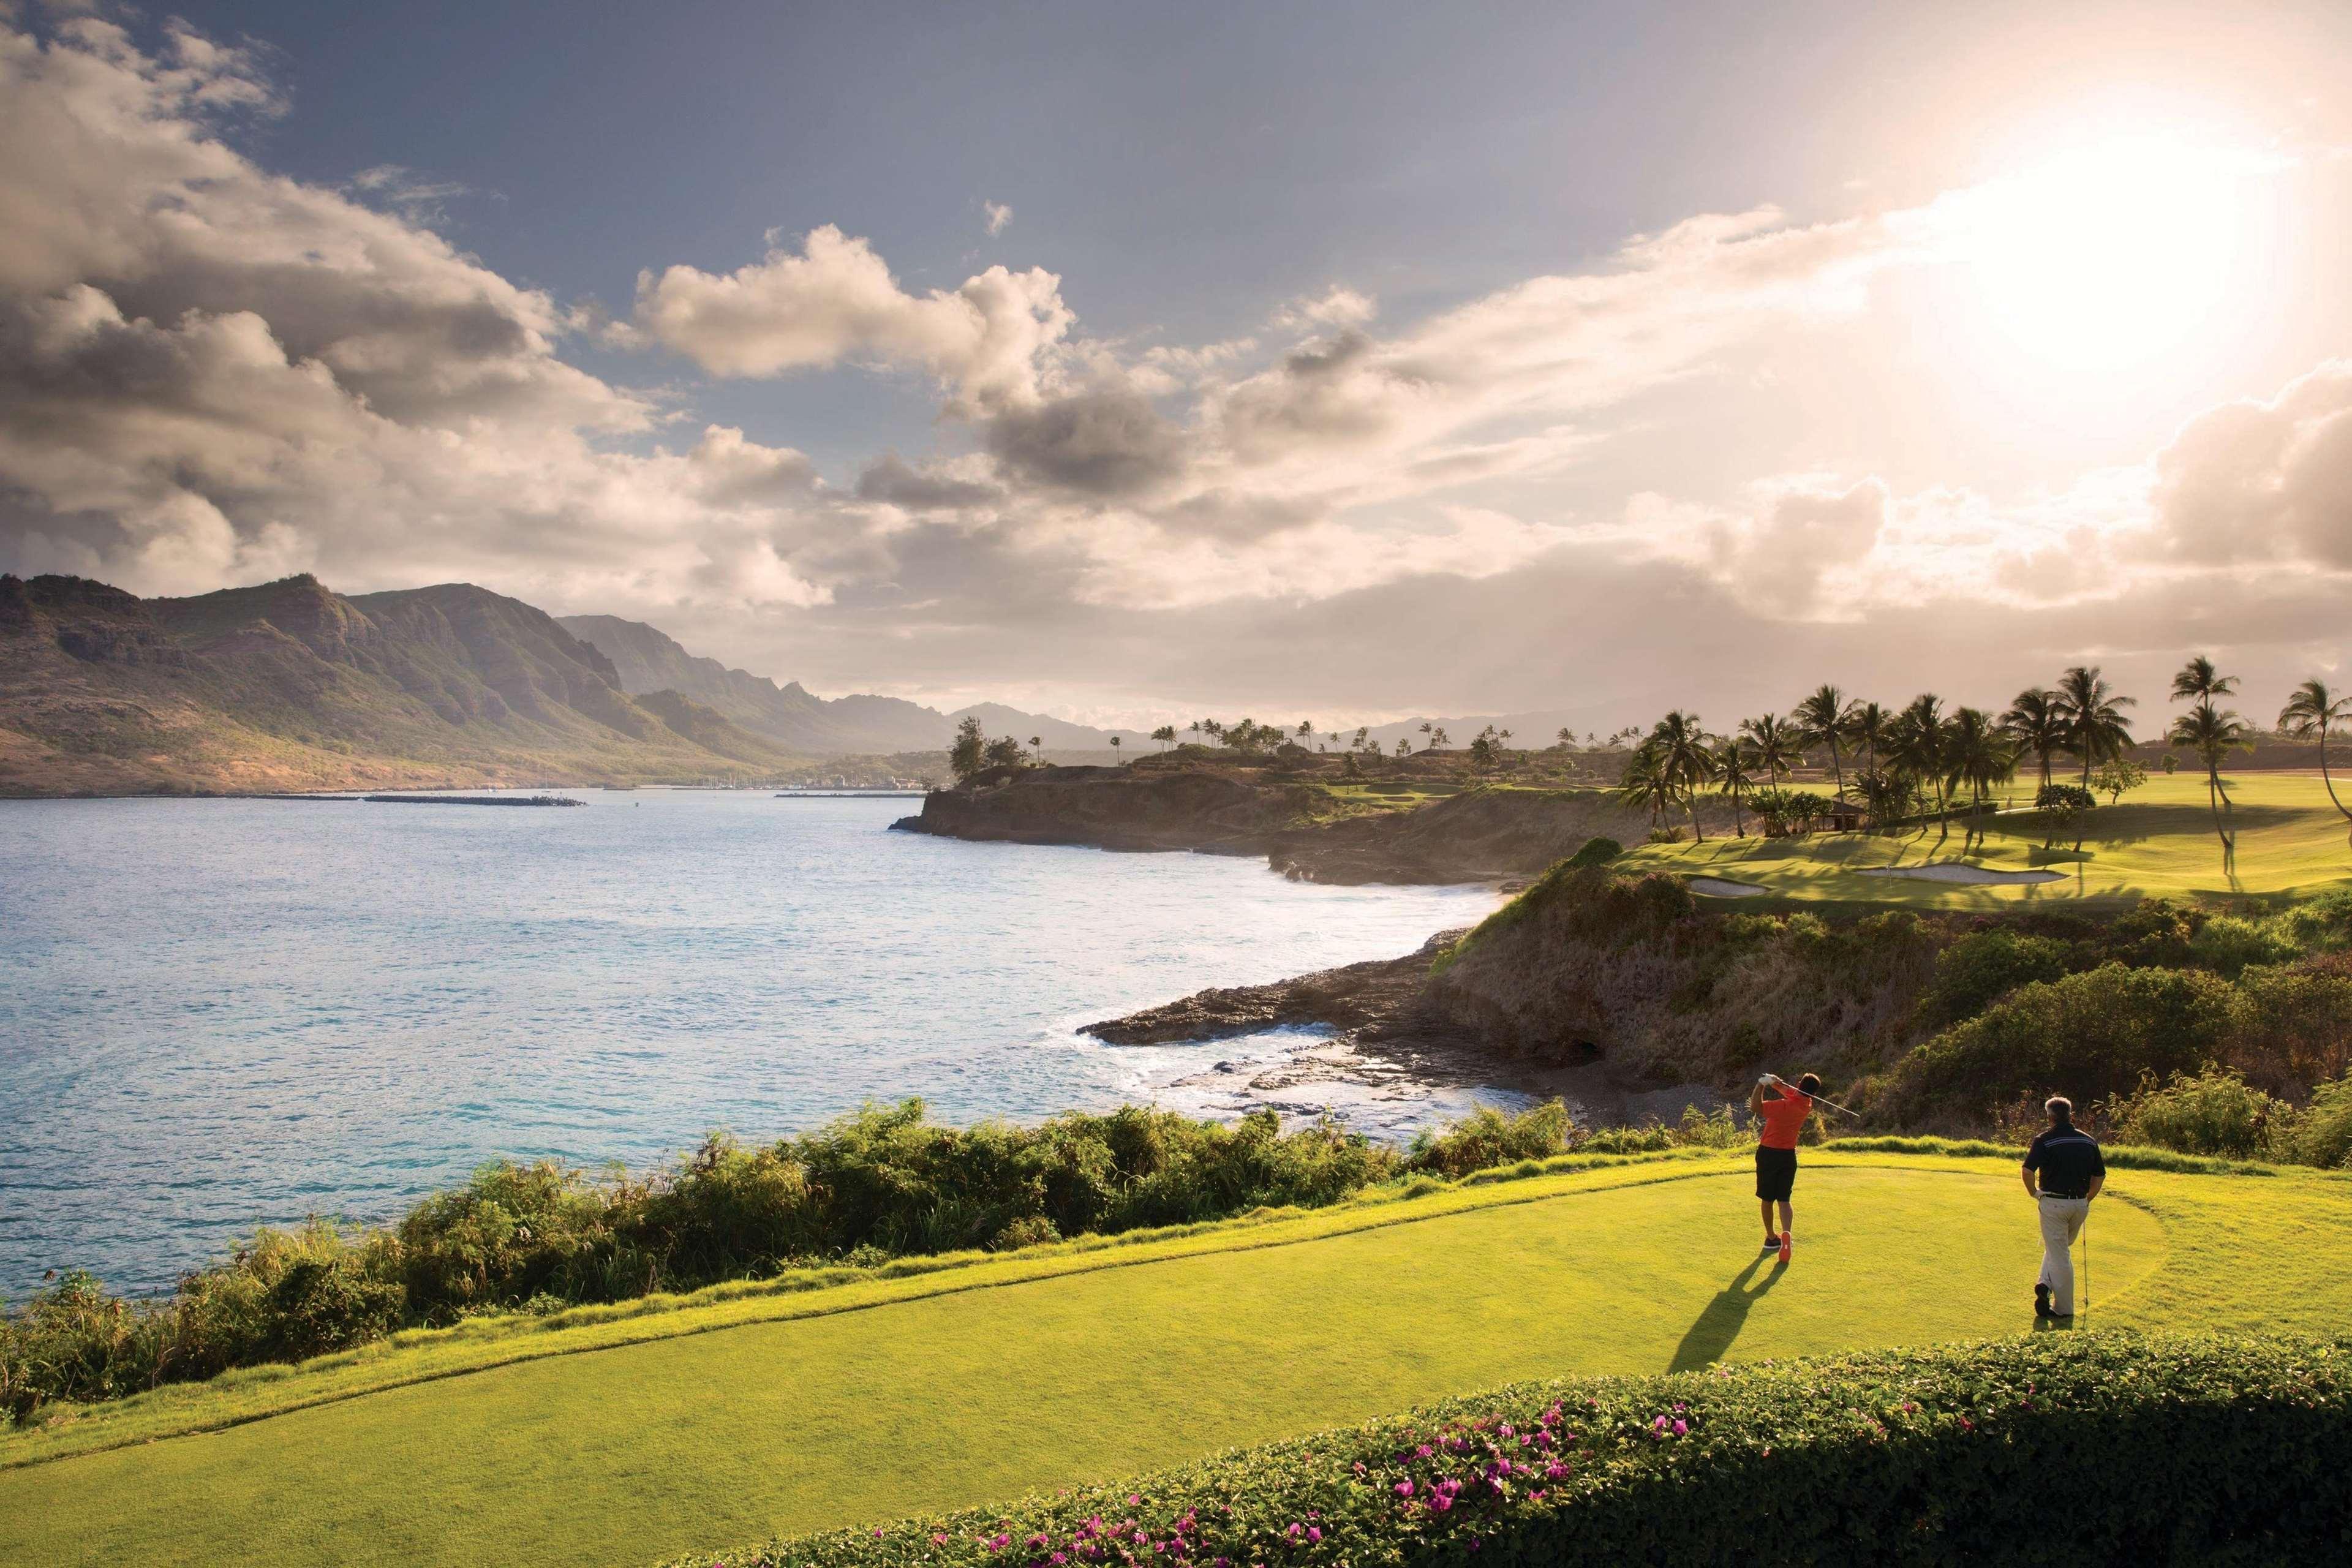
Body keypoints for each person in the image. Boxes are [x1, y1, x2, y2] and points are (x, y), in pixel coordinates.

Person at [2022, 1095, 2105, 1320]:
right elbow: (2100, 1175)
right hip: (2079, 1204)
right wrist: (2088, 1198)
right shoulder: (2088, 1141)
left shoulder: (2044, 1140)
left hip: (2054, 1203)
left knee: (2060, 1254)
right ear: (2070, 1115)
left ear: (2050, 1117)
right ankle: (2045, 1283)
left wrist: (2034, 1193)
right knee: (2058, 1246)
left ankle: (2064, 1309)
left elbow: (2028, 1171)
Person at [1747, 1072, 1818, 1264]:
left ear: (1800, 1084)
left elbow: (1756, 1107)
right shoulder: (1806, 1104)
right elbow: (1793, 1092)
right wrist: (1776, 1083)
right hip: (1788, 1156)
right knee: (1784, 1200)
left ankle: (1771, 1239)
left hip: (1769, 1154)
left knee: (1767, 1199)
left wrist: (1761, 1084)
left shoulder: (1783, 1106)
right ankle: (1786, 1234)